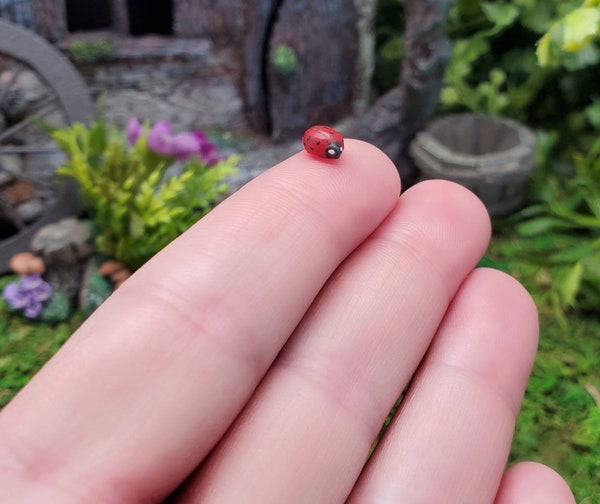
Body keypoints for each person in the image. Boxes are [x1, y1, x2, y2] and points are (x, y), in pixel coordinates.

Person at [0, 140, 574, 503]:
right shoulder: (319, 150)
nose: (329, 150)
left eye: (328, 150)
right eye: (327, 150)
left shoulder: (331, 150)